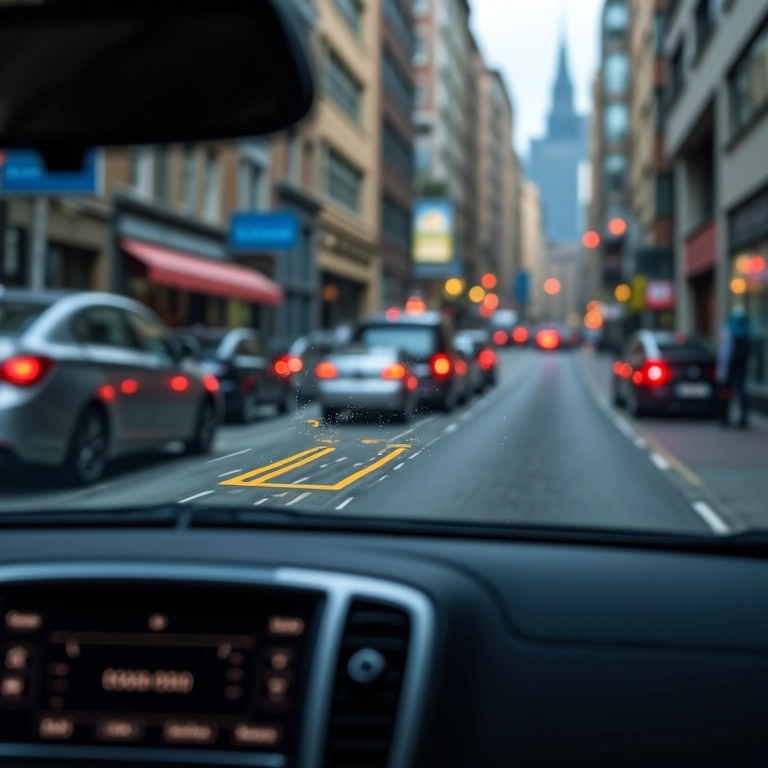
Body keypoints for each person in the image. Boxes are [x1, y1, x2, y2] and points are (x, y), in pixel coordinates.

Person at [716, 306, 752, 427]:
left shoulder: (728, 329)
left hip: (731, 366)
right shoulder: (746, 329)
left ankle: (724, 417)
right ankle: (743, 418)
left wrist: (722, 371)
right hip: (742, 366)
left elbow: (725, 352)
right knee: (741, 391)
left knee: (726, 391)